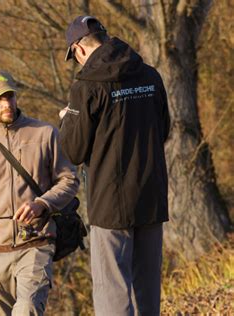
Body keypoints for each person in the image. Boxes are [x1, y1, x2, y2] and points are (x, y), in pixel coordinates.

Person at [59, 16, 170, 316]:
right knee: (148, 289)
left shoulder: (86, 87)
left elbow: (74, 149)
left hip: (111, 205)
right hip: (151, 197)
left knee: (112, 291)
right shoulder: (150, 75)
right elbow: (164, 131)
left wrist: (67, 118)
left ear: (79, 50)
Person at [0, 70, 78, 315]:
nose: (7, 103)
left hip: (36, 242)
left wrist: (42, 204)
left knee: (27, 309)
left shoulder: (45, 133)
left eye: (10, 96)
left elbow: (69, 180)